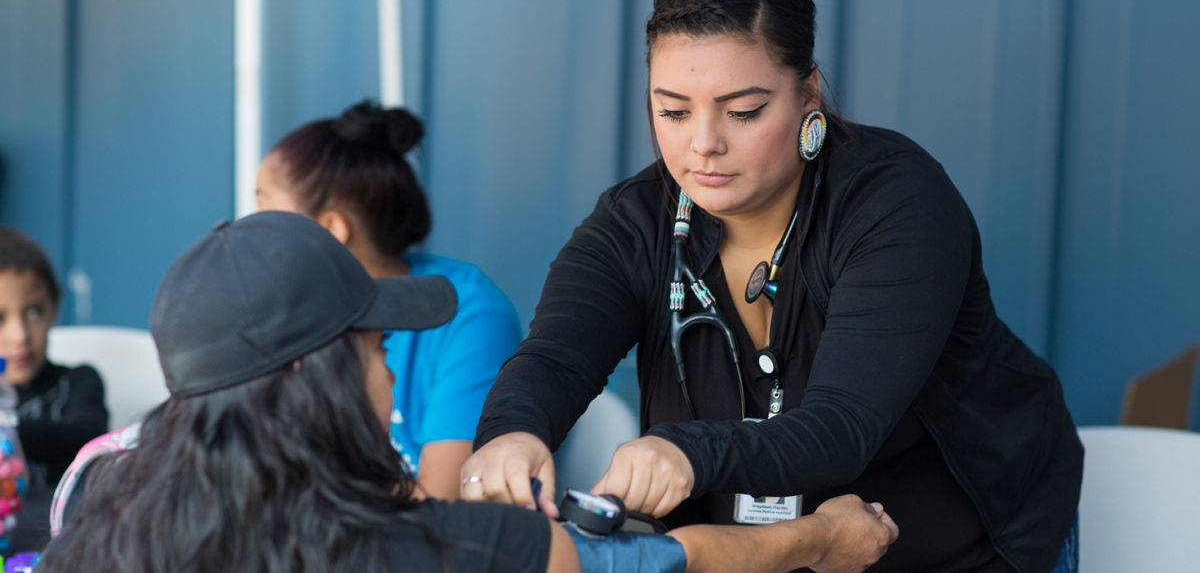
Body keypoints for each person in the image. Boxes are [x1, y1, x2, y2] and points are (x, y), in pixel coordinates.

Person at [462, 0, 1082, 572]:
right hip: (769, 555)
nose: (703, 143)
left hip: (962, 547)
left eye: (743, 111)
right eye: (672, 110)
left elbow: (841, 426)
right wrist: (513, 434)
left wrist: (686, 452)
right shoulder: (634, 221)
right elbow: (554, 358)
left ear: (808, 90)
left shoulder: (898, 201)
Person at [36, 212, 897, 572]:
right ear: (307, 376)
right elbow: (669, 560)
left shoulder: (95, 514)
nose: (386, 374)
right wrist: (820, 533)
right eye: (375, 350)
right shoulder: (439, 547)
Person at [255, 100, 521, 500]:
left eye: (264, 210)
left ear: (332, 229)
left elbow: (440, 500)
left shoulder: (471, 315)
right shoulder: (290, 305)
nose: (252, 233)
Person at [0, 226, 108, 551]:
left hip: (68, 549)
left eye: (33, 312)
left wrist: (10, 433)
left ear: (54, 309)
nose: (20, 335)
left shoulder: (79, 381)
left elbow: (87, 435)